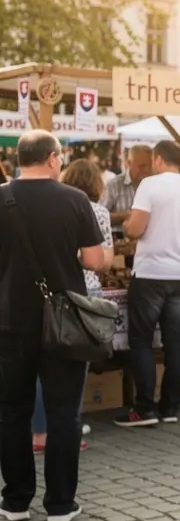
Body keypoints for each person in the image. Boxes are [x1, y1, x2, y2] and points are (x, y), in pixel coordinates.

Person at [0, 130, 105, 521]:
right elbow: (95, 261)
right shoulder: (75, 200)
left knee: (12, 412)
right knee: (64, 413)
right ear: (52, 158)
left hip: (10, 320)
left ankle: (15, 501)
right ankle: (60, 504)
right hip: (64, 322)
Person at [117, 140, 180, 427]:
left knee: (142, 341)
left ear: (158, 159)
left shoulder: (150, 186)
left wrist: (131, 227)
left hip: (151, 271)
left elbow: (135, 227)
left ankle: (144, 409)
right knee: (174, 340)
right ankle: (170, 407)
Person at [27, 160, 113, 455]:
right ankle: (69, 431)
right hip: (83, 296)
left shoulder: (42, 206)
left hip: (47, 294)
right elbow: (101, 261)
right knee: (75, 366)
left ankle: (39, 432)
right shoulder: (97, 211)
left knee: (40, 368)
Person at [102, 144, 152, 231]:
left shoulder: (155, 185)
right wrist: (123, 215)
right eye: (142, 166)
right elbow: (99, 217)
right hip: (120, 241)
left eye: (150, 166)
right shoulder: (114, 185)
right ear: (129, 163)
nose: (147, 170)